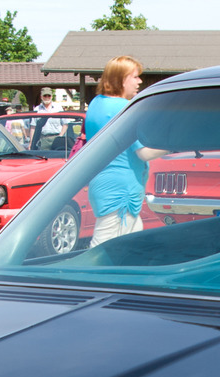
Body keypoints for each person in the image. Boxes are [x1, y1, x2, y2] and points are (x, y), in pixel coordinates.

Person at [85, 55, 167, 245]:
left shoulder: (97, 103)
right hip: (121, 194)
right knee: (103, 250)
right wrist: (173, 145)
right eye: (135, 77)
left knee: (130, 244)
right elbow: (145, 152)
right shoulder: (124, 108)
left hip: (103, 187)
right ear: (120, 79)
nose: (140, 82)